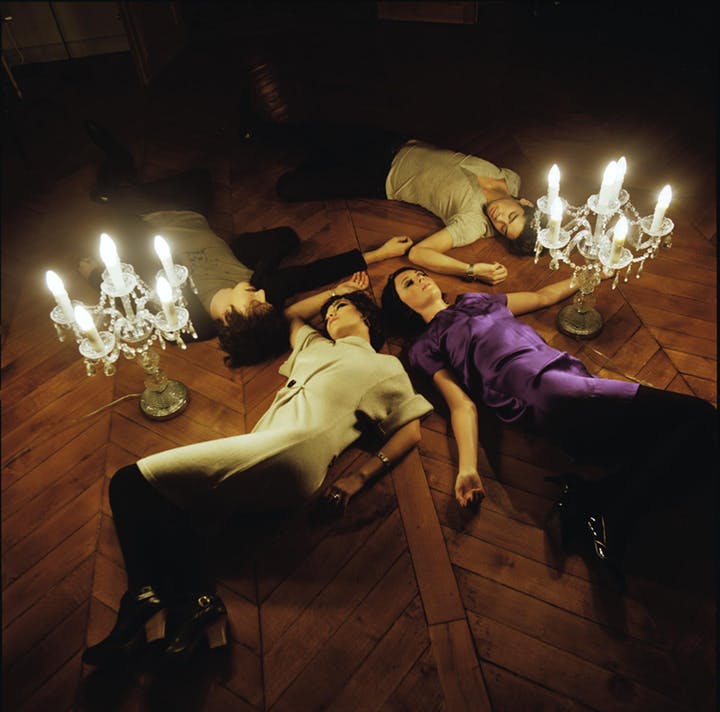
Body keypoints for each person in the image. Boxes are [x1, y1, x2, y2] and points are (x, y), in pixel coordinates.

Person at [82, 274, 434, 668]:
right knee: (180, 512)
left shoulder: (384, 366)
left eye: (341, 308)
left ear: (367, 317)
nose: (331, 315)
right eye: (328, 313)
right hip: (272, 451)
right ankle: (200, 606)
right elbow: (290, 314)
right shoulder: (315, 345)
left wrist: (358, 479)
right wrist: (336, 292)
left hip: (296, 445)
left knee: (128, 482)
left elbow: (410, 430)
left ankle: (141, 598)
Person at [381, 266, 718, 577]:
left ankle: (593, 502)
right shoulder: (424, 345)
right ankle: (601, 506)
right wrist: (467, 467)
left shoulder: (476, 300)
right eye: (408, 282)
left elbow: (543, 297)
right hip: (542, 392)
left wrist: (592, 274)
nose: (420, 279)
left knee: (689, 444)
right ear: (402, 306)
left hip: (569, 376)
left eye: (420, 274)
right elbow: (461, 404)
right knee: (701, 416)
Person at [81, 120, 413, 366]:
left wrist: (95, 276)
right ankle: (125, 189)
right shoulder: (258, 286)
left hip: (141, 219)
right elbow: (312, 274)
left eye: (255, 304)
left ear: (230, 319)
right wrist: (380, 253)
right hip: (191, 212)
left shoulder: (187, 319)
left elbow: (130, 297)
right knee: (201, 178)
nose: (262, 295)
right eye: (265, 301)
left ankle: (115, 171)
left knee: (119, 191)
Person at [261, 121, 537, 282]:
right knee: (310, 134)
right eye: (511, 216)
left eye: (503, 229)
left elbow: (419, 253)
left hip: (379, 176)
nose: (499, 219)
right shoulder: (511, 179)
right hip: (396, 143)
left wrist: (471, 270)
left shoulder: (473, 225)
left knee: (289, 187)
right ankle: (258, 130)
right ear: (524, 202)